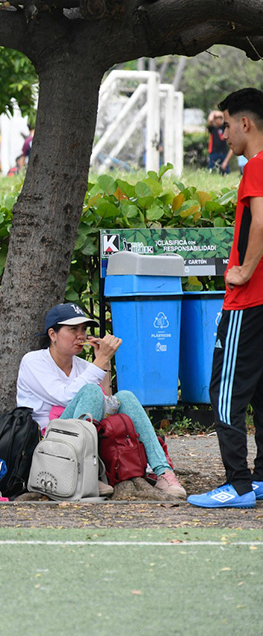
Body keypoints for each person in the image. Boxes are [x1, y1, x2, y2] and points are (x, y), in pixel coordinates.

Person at [16, 303, 186, 498]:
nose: (81, 336)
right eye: (73, 329)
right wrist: (98, 363)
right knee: (90, 391)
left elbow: (107, 403)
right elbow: (64, 396)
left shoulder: (83, 366)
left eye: (83, 329)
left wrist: (103, 361)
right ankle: (82, 474)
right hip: (49, 444)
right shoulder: (33, 361)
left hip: (83, 438)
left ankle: (163, 472)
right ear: (53, 334)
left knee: (125, 397)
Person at [189, 89, 263, 509]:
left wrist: (245, 270)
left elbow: (261, 223)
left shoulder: (256, 166)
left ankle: (238, 486)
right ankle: (260, 478)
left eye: (227, 124)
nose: (224, 133)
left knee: (225, 392)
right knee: (262, 391)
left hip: (248, 302)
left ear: (245, 124)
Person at [207, 110, 233, 174]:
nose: (218, 119)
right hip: (214, 153)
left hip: (223, 153)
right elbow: (210, 119)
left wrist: (221, 114)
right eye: (216, 118)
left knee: (225, 172)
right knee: (211, 171)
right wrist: (213, 113)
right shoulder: (213, 128)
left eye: (220, 118)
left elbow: (228, 119)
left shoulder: (224, 128)